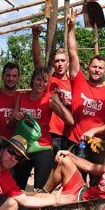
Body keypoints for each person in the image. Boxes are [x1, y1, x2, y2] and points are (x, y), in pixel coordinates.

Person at [67, 8, 105, 185]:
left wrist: (93, 131)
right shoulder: (79, 81)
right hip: (75, 141)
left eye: (100, 67)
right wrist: (71, 28)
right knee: (75, 181)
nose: (96, 69)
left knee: (97, 182)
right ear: (88, 67)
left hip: (98, 144)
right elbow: (73, 53)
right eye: (94, 66)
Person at [11, 67, 74, 190]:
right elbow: (11, 123)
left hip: (43, 147)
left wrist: (59, 103)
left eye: (45, 81)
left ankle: (40, 209)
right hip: (23, 148)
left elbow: (70, 121)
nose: (41, 83)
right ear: (32, 80)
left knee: (41, 189)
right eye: (38, 80)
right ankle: (19, 209)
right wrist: (17, 118)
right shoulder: (21, 97)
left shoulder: (49, 99)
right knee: (17, 187)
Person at [32, 25, 72, 153]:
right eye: (57, 61)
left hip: (70, 133)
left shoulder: (74, 83)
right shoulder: (48, 80)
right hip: (53, 133)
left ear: (68, 63)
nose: (60, 64)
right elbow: (37, 61)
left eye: (62, 61)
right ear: (53, 64)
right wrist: (35, 37)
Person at [0, 62, 21, 142]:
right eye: (8, 75)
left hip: (17, 145)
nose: (11, 79)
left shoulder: (23, 98)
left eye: (14, 76)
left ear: (18, 78)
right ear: (2, 76)